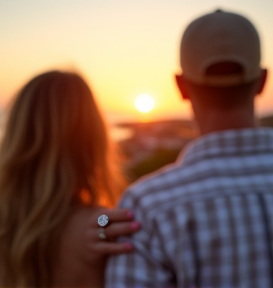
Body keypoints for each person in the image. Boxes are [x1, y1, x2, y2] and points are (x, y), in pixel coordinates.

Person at [106, 9, 273, 288]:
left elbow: (104, 225)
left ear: (181, 86)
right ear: (263, 81)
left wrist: (100, 226)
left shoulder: (148, 205)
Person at [0, 70, 140, 287]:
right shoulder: (95, 230)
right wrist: (103, 223)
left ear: (16, 137)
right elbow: (104, 223)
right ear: (92, 140)